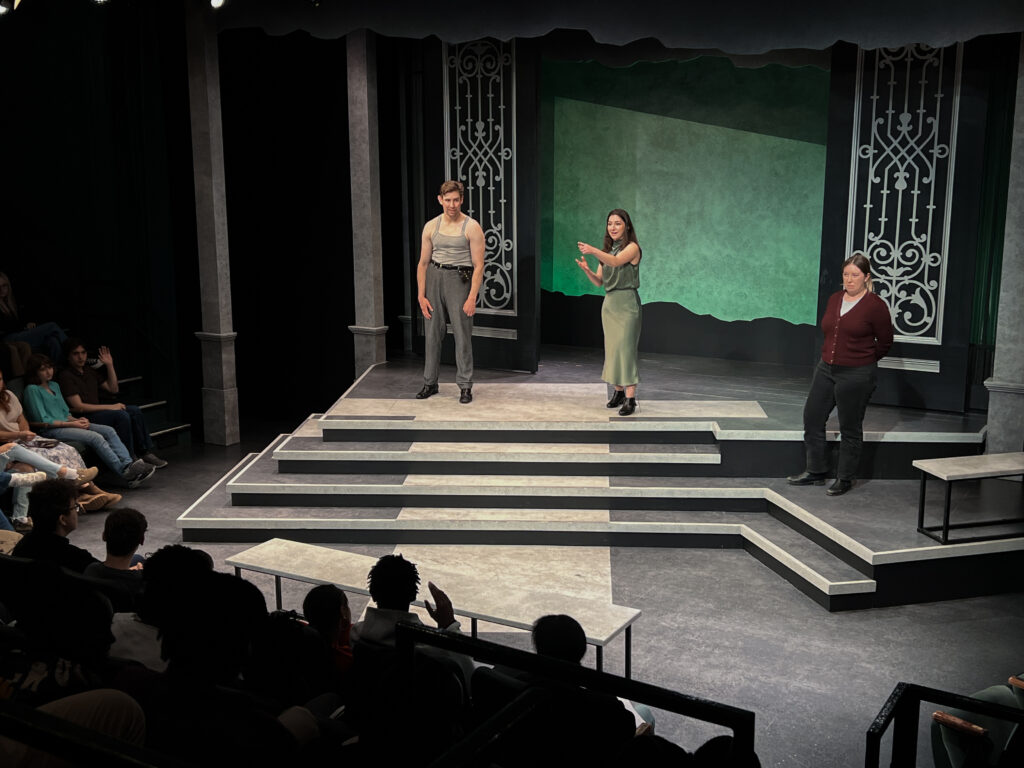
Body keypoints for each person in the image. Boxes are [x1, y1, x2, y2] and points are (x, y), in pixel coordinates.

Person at [787, 253, 894, 496]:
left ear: (866, 277)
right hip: (826, 368)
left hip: (856, 374)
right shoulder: (835, 299)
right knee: (812, 417)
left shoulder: (875, 305)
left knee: (850, 426)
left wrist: (863, 360)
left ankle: (845, 478)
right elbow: (830, 332)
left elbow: (886, 341)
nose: (849, 279)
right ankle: (816, 471)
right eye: (846, 274)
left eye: (855, 275)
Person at [21, 354, 154, 487]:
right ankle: (125, 473)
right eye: (43, 369)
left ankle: (128, 464)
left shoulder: (54, 385)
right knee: (95, 437)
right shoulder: (32, 390)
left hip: (67, 424)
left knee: (108, 430)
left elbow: (65, 413)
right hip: (51, 429)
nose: (48, 371)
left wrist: (78, 420)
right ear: (35, 371)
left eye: (49, 367)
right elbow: (43, 419)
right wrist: (72, 424)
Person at [415, 180, 486, 405]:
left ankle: (465, 386)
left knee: (462, 335)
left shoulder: (471, 226)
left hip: (459, 279)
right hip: (435, 277)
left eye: (456, 200)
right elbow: (423, 263)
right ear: (440, 200)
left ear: (462, 200)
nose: (452, 204)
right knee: (433, 333)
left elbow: (479, 265)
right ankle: (430, 382)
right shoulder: (431, 226)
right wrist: (421, 294)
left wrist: (472, 297)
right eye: (448, 200)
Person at [58, 339, 167, 468]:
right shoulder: (66, 375)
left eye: (83, 353)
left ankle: (145, 452)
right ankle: (130, 457)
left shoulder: (89, 371)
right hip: (84, 416)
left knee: (135, 411)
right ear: (68, 356)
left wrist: (109, 365)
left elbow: (113, 389)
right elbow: (78, 406)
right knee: (121, 416)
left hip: (98, 412)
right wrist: (112, 407)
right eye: (76, 354)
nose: (81, 357)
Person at [576, 209, 643, 416]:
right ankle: (618, 392)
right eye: (610, 223)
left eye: (617, 223)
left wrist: (593, 250)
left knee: (626, 350)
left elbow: (615, 262)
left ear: (627, 226)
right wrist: (587, 269)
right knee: (613, 350)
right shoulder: (608, 251)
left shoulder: (632, 248)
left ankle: (631, 398)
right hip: (610, 304)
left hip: (627, 303)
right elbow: (599, 282)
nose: (612, 227)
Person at [11, 478, 99, 572]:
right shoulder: (78, 559)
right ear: (62, 519)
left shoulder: (22, 547)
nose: (78, 512)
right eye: (75, 507)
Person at [0, 271, 67, 367]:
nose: (2, 290)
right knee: (52, 326)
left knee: (53, 341)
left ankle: (58, 369)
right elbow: (6, 329)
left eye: (4, 286)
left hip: (19, 334)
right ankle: (74, 350)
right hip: (8, 338)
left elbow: (19, 322)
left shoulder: (11, 303)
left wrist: (27, 325)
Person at [83, 508, 148, 596]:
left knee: (137, 558)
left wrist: (128, 571)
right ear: (142, 540)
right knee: (140, 560)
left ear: (104, 536)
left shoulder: (91, 569)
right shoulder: (140, 582)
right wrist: (138, 573)